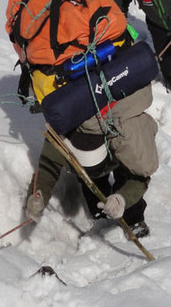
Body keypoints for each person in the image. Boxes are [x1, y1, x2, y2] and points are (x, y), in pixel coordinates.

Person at [26, 85, 159, 238]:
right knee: (92, 184)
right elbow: (46, 168)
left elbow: (141, 177)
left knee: (126, 173)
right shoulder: (61, 136)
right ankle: (99, 214)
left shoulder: (128, 136)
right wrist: (37, 196)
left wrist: (122, 199)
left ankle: (133, 219)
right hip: (86, 136)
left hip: (119, 137)